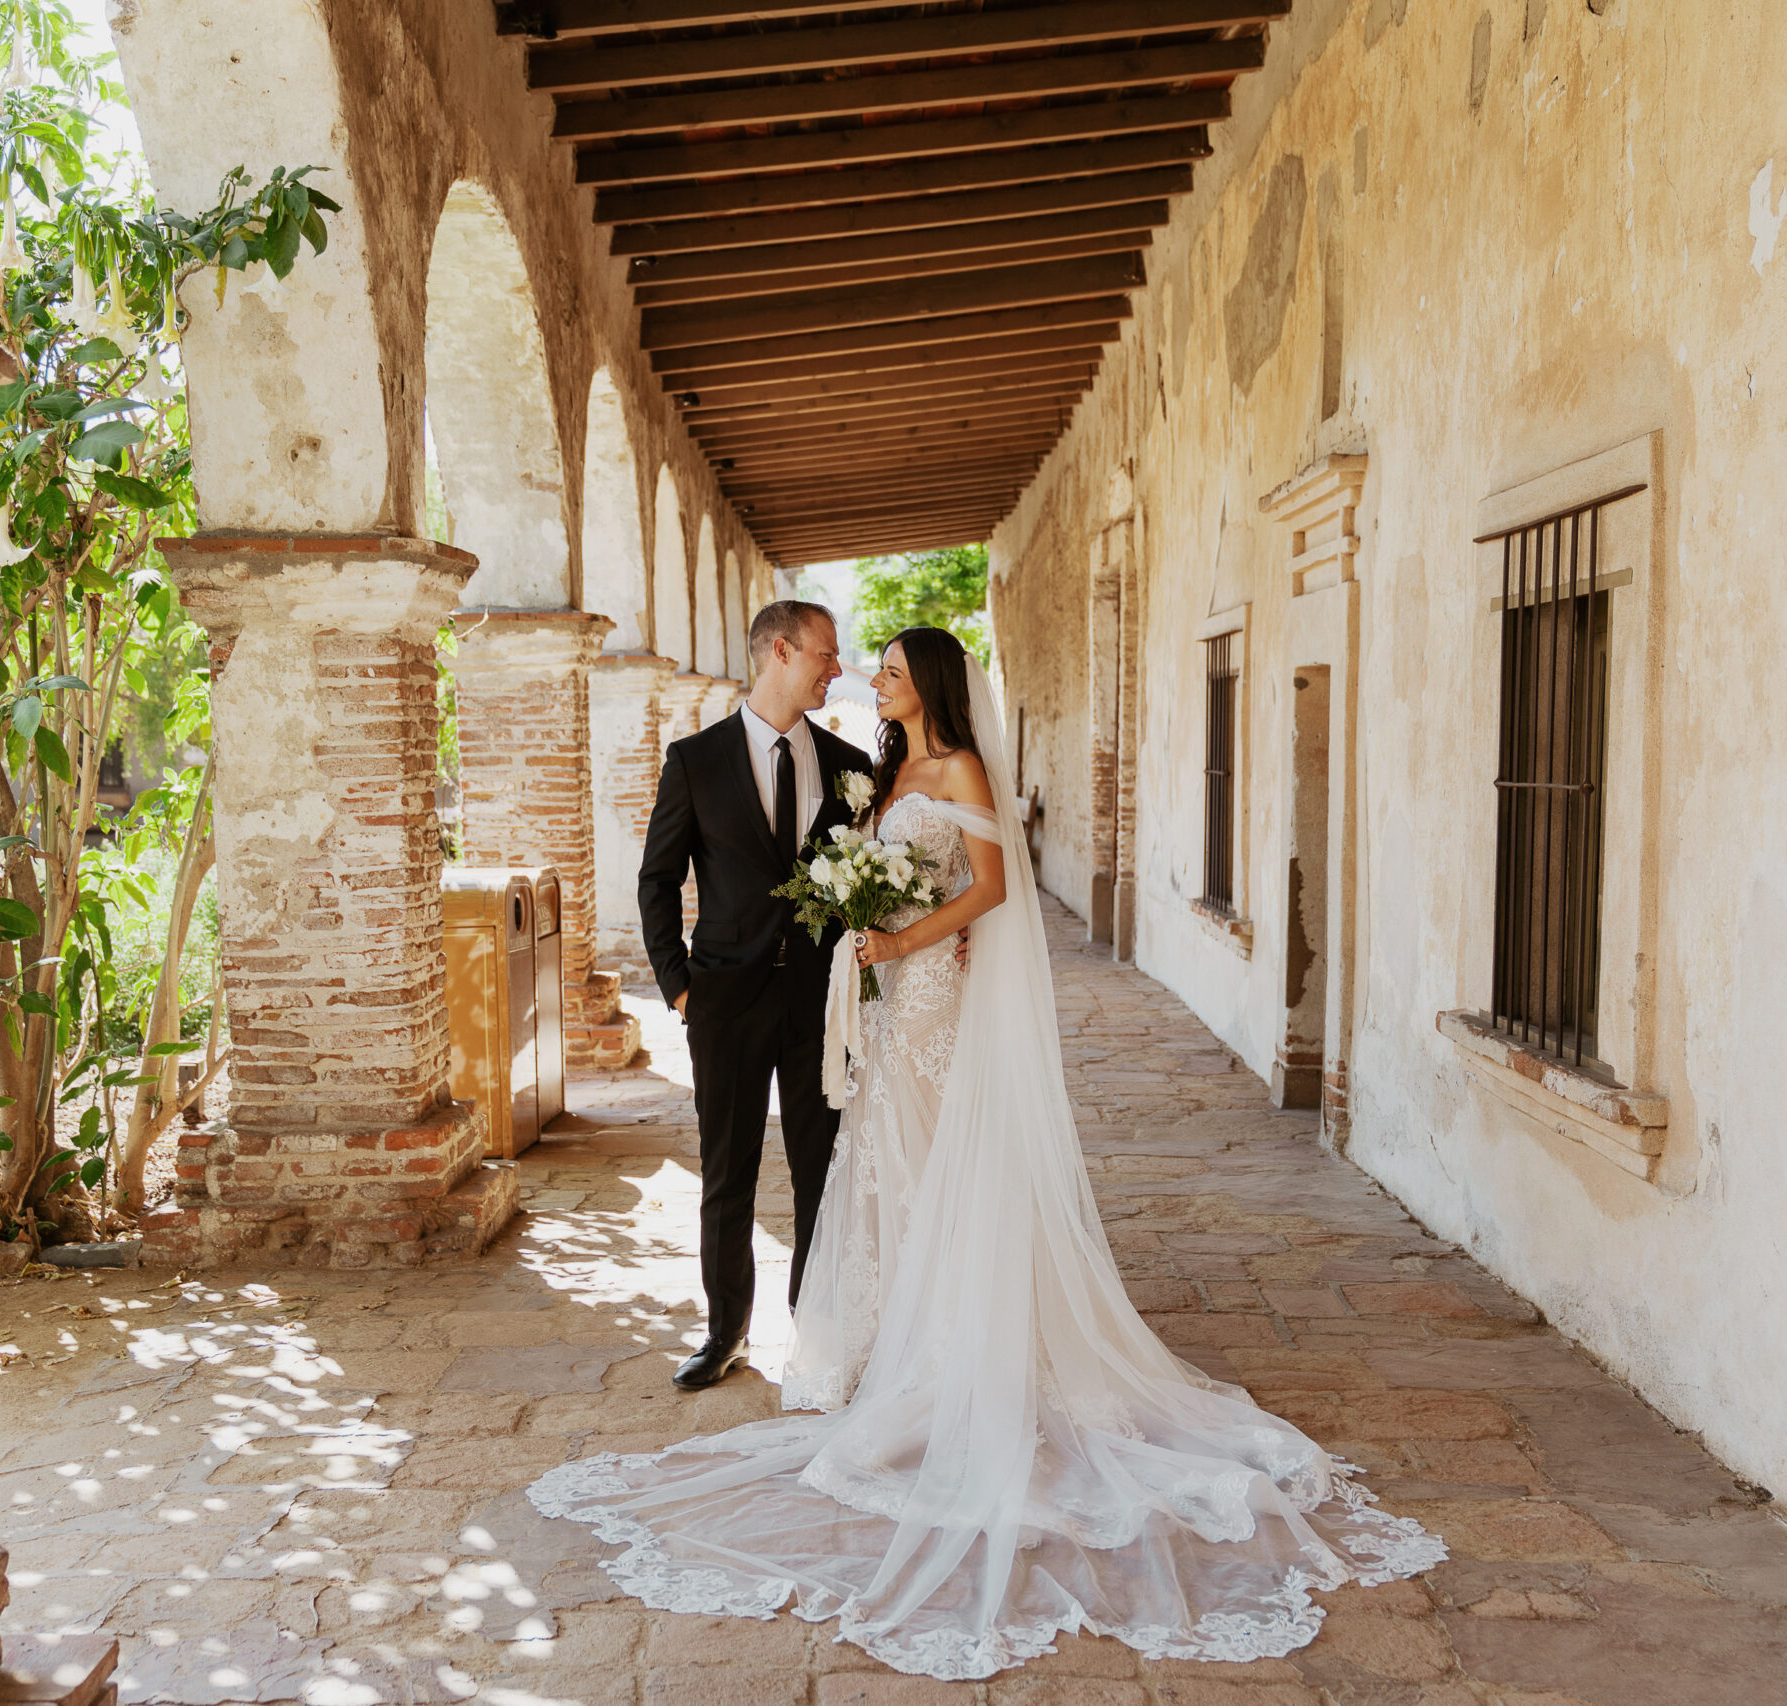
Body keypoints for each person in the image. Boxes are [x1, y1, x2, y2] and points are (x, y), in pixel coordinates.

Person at [533, 627, 1446, 1679]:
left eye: (880, 666)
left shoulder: (930, 763)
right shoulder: (857, 765)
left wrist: (910, 935)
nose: (862, 676)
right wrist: (705, 977)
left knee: (919, 1167)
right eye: (846, 659)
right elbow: (724, 871)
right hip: (851, 1001)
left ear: (926, 680)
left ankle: (944, 1348)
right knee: (843, 1168)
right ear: (783, 651)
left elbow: (990, 886)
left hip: (923, 994)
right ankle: (781, 1331)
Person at [637, 600, 873, 1391]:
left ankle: (815, 1333)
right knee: (726, 1174)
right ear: (781, 650)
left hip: (820, 1006)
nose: (836, 669)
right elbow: (658, 881)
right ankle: (725, 1333)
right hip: (725, 1005)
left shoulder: (849, 766)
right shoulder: (695, 760)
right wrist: (679, 989)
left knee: (822, 1173)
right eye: (826, 654)